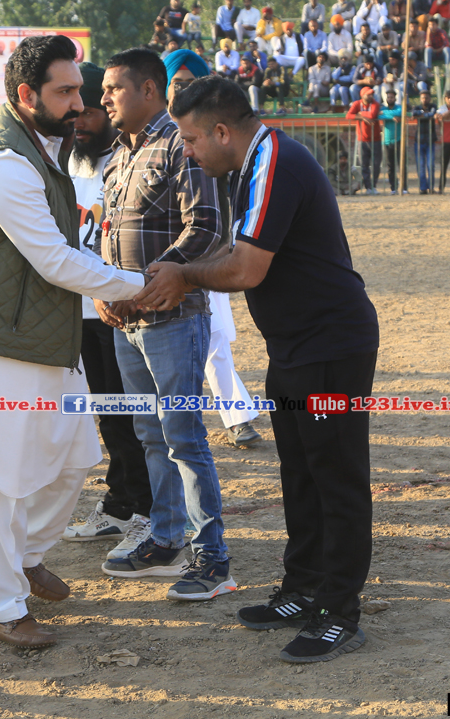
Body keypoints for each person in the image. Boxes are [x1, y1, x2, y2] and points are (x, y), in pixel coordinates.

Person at [136, 75, 380, 665]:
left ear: (222, 131)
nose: (187, 152)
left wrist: (183, 276)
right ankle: (303, 589)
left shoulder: (275, 161)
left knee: (336, 477)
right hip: (295, 347)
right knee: (301, 473)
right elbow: (236, 253)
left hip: (330, 348)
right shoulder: (251, 164)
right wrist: (177, 268)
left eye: (191, 139)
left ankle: (339, 612)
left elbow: (246, 269)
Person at [0, 36, 145, 649]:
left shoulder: (40, 145)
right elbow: (54, 260)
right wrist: (142, 287)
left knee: (76, 455)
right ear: (27, 94)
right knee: (1, 482)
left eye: (79, 91)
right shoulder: (4, 163)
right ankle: (4, 608)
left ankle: (26, 557)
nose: (79, 104)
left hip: (40, 332)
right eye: (65, 92)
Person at [96, 48, 234, 601]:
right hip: (125, 320)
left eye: (114, 88)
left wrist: (150, 282)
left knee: (183, 437)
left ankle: (212, 556)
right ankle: (167, 538)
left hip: (173, 317)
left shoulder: (181, 142)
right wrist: (107, 289)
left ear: (149, 89)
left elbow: (207, 227)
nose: (104, 98)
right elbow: (108, 232)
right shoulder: (116, 155)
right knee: (151, 434)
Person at [61, 62, 154, 559]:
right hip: (79, 310)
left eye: (89, 112)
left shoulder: (123, 161)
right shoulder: (65, 163)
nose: (79, 121)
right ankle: (120, 503)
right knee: (109, 415)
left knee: (137, 417)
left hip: (120, 309)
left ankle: (147, 512)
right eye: (73, 113)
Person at [164, 52, 264, 446]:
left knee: (215, 337)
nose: (183, 91)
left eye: (191, 84)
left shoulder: (216, 140)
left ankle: (237, 416)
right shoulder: (159, 137)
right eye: (177, 84)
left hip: (210, 251)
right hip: (162, 257)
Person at [347, 87, 383, 194]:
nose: (371, 96)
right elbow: (348, 115)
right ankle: (368, 187)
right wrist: (362, 117)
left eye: (372, 94)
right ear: (362, 95)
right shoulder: (357, 104)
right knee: (364, 165)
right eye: (368, 94)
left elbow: (372, 115)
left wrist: (359, 114)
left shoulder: (375, 104)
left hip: (375, 139)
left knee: (376, 164)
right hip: (362, 139)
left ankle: (373, 185)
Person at [377, 89, 403, 194]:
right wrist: (392, 117)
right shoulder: (383, 108)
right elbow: (379, 115)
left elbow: (400, 112)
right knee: (390, 166)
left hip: (399, 139)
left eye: (392, 97)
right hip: (387, 141)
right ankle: (393, 187)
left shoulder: (399, 107)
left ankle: (404, 187)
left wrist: (386, 114)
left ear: (395, 98)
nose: (390, 99)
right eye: (388, 97)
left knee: (401, 165)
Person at [413, 89, 438, 193]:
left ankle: (431, 187)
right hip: (419, 140)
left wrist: (422, 115)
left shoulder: (433, 106)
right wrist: (425, 114)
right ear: (420, 99)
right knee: (421, 166)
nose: (425, 99)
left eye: (426, 98)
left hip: (430, 140)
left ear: (429, 98)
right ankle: (423, 188)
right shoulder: (417, 107)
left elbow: (432, 113)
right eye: (423, 98)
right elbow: (414, 113)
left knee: (430, 165)